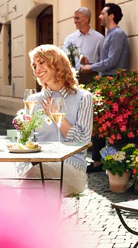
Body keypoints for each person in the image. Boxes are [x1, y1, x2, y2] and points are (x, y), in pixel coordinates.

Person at [21, 45, 93, 196]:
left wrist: (57, 117)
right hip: (38, 166)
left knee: (34, 179)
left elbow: (82, 140)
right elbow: (26, 141)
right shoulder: (33, 100)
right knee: (31, 179)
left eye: (41, 63)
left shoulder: (83, 97)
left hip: (72, 168)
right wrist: (23, 130)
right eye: (34, 65)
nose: (37, 69)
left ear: (57, 64)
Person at [80, 3, 130, 173]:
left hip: (114, 83)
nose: (99, 16)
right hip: (108, 81)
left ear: (111, 16)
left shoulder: (117, 34)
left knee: (104, 123)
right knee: (99, 122)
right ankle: (98, 161)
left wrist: (90, 68)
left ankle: (102, 162)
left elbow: (112, 62)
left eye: (102, 13)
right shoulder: (110, 34)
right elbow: (108, 62)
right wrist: (90, 64)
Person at [61, 7, 104, 85]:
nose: (75, 21)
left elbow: (103, 61)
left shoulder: (99, 38)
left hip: (93, 78)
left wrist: (101, 81)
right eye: (74, 18)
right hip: (75, 78)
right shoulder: (70, 39)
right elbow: (64, 61)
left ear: (86, 18)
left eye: (77, 18)